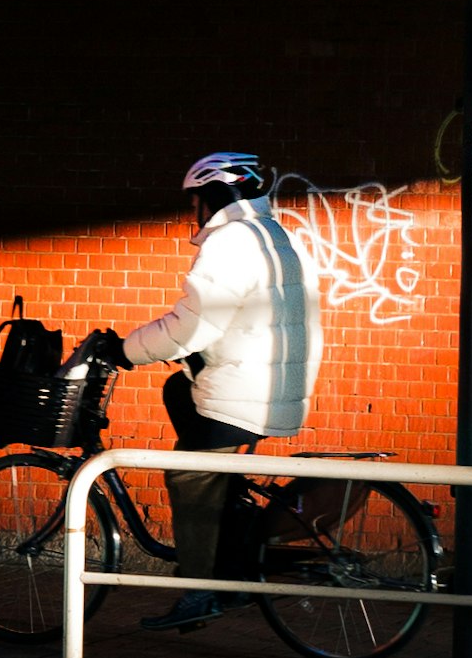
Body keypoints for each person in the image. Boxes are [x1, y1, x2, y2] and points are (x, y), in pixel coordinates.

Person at [98, 152, 323, 631]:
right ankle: (227, 532)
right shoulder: (274, 235)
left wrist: (124, 350)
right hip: (272, 385)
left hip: (245, 394)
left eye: (196, 200)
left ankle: (201, 592)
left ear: (214, 197)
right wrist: (188, 356)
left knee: (189, 479)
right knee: (179, 393)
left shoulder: (231, 243)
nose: (194, 211)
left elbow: (192, 324)